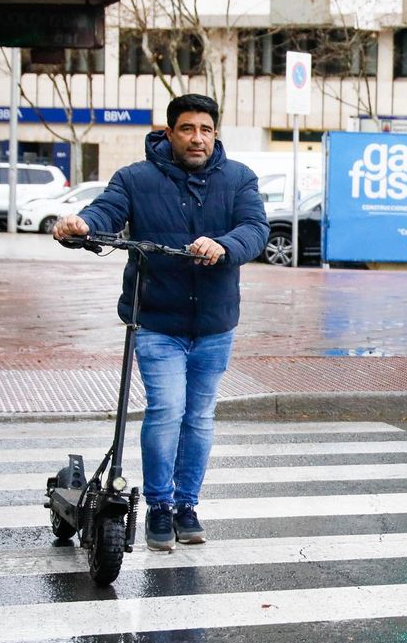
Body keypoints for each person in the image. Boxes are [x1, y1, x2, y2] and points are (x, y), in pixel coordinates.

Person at [53, 94, 267, 551]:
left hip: (214, 323)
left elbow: (255, 229)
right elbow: (105, 212)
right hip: (156, 320)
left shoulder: (239, 179)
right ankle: (159, 506)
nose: (197, 138)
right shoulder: (136, 179)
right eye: (187, 129)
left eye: (206, 129)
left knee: (199, 418)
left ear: (215, 133)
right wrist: (82, 225)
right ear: (169, 133)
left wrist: (225, 245)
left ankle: (188, 505)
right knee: (167, 411)